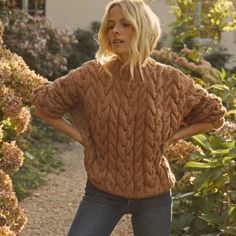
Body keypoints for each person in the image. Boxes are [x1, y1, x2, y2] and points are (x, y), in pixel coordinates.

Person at [31, 0, 226, 235]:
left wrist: (174, 137)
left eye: (125, 24)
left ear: (143, 28)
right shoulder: (92, 74)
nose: (115, 30)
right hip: (102, 191)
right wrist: (82, 137)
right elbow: (44, 105)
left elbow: (213, 114)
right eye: (110, 25)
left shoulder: (170, 80)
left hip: (154, 193)